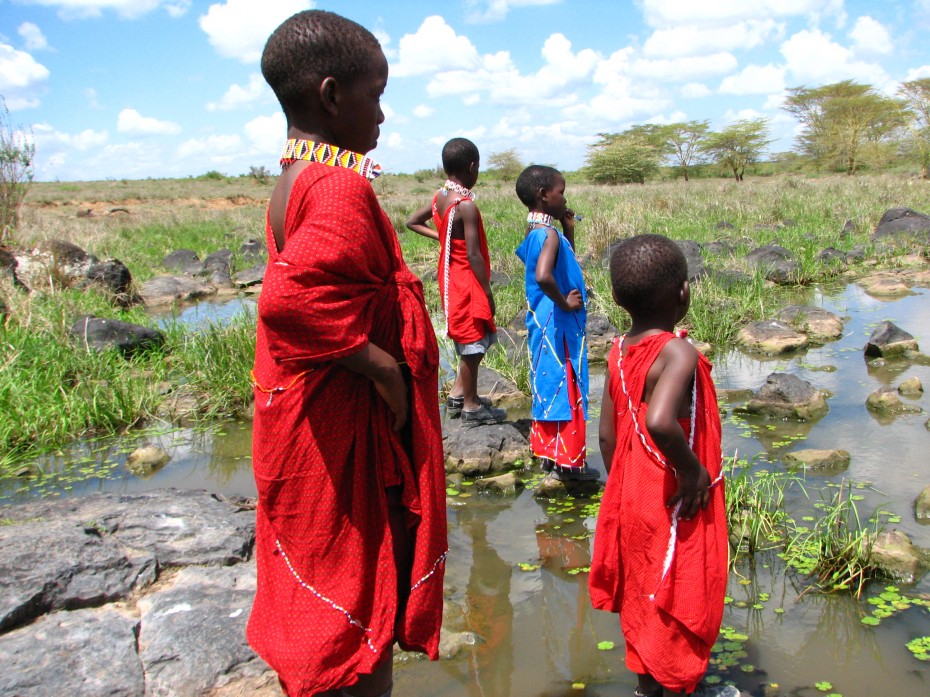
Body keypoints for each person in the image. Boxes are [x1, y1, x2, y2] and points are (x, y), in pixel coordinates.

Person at [247, 11, 447, 697]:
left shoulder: (298, 177)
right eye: (375, 94)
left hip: (310, 425)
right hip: (343, 438)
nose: (384, 115)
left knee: (332, 597)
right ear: (331, 96)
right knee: (358, 617)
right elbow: (289, 301)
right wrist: (384, 368)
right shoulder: (338, 186)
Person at [588, 234, 733, 697]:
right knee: (679, 586)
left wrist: (626, 484)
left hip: (633, 495)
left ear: (615, 297)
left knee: (643, 590)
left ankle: (645, 686)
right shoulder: (678, 352)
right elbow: (660, 421)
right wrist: (691, 471)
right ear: (684, 292)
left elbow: (608, 437)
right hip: (673, 500)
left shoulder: (617, 352)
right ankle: (675, 683)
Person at [406, 137, 506, 426]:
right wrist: (487, 292)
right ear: (472, 167)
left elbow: (412, 221)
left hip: (449, 275)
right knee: (474, 338)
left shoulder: (440, 197)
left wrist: (444, 238)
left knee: (470, 335)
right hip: (467, 278)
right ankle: (471, 407)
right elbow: (474, 254)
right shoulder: (466, 206)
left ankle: (459, 394)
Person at [514, 165, 597, 481]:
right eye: (561, 192)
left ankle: (550, 455)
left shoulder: (537, 232)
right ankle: (571, 464)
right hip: (558, 323)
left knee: (549, 385)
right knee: (567, 384)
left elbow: (555, 261)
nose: (564, 197)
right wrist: (566, 301)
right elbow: (544, 275)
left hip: (543, 321)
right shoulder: (548, 235)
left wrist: (569, 228)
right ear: (543, 195)